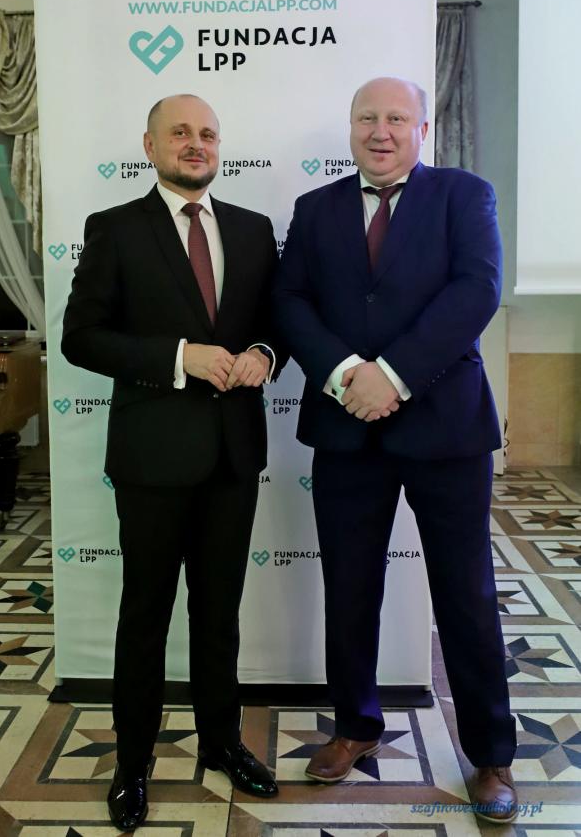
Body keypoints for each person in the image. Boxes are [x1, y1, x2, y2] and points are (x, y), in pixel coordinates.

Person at [272, 77, 518, 824]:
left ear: (422, 128)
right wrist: (350, 375)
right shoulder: (315, 209)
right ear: (351, 127)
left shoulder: (464, 195)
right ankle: (355, 726)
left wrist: (396, 376)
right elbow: (290, 301)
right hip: (347, 426)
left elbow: (476, 291)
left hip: (446, 430)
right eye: (366, 118)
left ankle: (491, 755)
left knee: (467, 592)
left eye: (396, 118)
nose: (380, 131)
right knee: (350, 588)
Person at [62, 94, 281, 832]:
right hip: (152, 459)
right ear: (150, 145)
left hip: (233, 457)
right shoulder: (115, 228)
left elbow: (275, 323)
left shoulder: (252, 230)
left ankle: (222, 742)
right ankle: (132, 763)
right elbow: (81, 337)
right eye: (180, 132)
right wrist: (179, 357)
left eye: (208, 133)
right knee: (145, 616)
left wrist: (263, 354)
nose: (196, 143)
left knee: (219, 615)